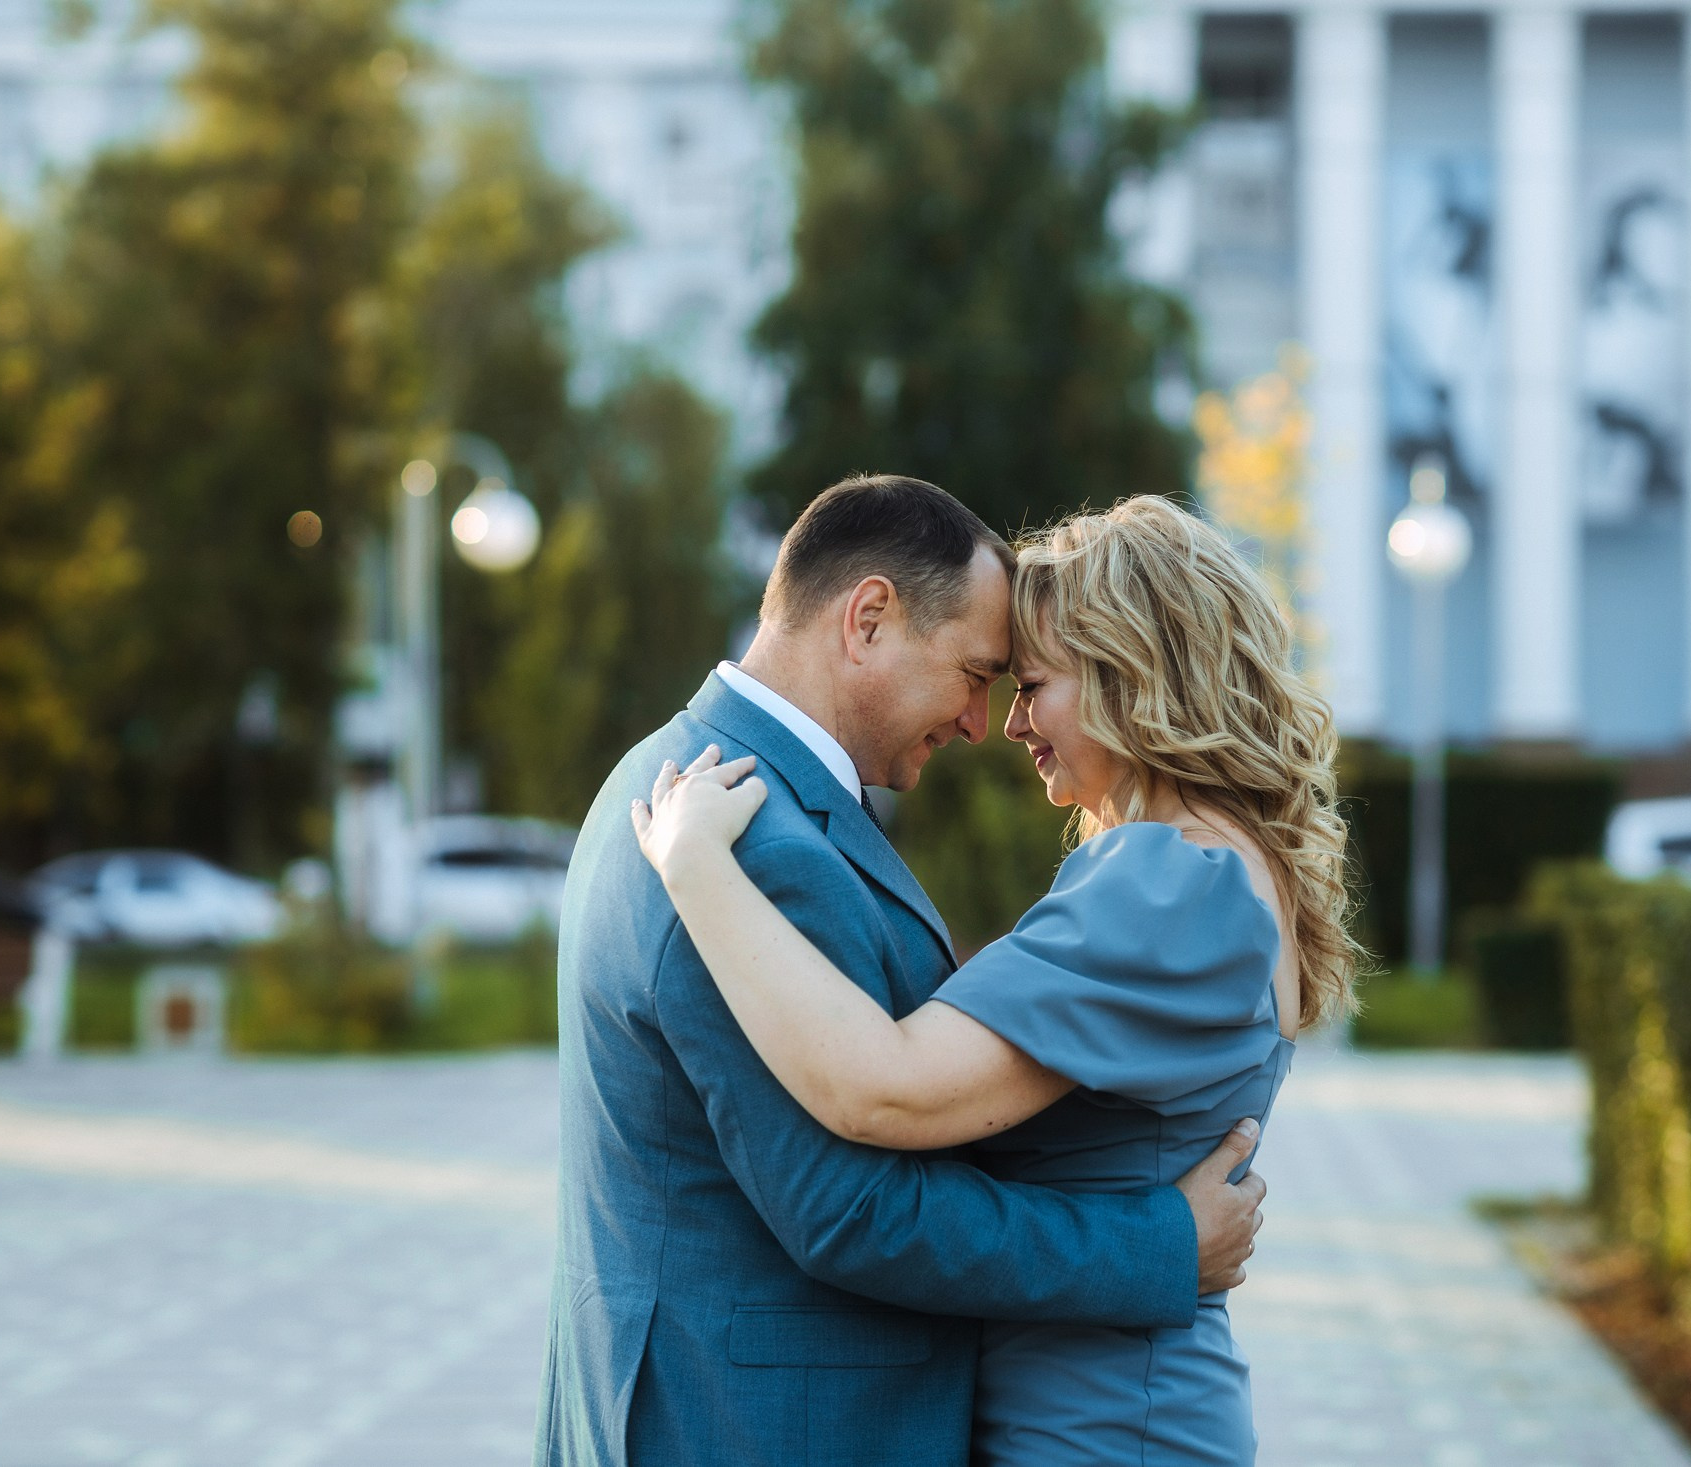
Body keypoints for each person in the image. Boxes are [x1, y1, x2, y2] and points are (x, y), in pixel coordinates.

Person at [535, 476, 1269, 1467]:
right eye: (978, 673)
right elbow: (854, 1210)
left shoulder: (669, 774)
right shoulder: (753, 840)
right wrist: (1161, 1247)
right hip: (765, 1433)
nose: (983, 724)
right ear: (869, 618)